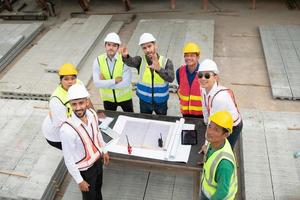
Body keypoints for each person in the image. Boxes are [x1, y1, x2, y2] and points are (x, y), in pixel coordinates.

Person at [60, 84, 109, 200]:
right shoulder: (67, 130)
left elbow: (97, 134)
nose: (77, 108)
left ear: (87, 102)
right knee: (89, 197)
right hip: (85, 172)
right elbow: (68, 159)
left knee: (98, 190)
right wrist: (79, 180)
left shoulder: (92, 114)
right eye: (74, 104)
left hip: (98, 163)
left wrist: (104, 151)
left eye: (81, 103)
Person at [42, 63, 93, 150]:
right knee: (77, 152)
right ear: (61, 80)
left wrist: (94, 116)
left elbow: (88, 100)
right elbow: (61, 125)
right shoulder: (56, 99)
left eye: (73, 78)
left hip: (70, 123)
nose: (70, 81)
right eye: (66, 79)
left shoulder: (78, 83)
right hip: (56, 134)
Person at [121, 33, 174, 115]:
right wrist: (125, 56)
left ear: (155, 45)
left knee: (162, 122)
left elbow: (171, 78)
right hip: (144, 101)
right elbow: (130, 62)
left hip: (161, 102)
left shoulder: (166, 61)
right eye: (144, 48)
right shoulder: (140, 60)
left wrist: (159, 69)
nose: (148, 50)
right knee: (144, 121)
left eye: (149, 46)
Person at [198, 59, 243, 149]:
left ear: (215, 77)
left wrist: (206, 145)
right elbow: (204, 107)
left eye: (207, 76)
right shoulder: (203, 88)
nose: (203, 78)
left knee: (225, 149)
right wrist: (205, 122)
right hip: (218, 121)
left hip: (232, 127)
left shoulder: (220, 98)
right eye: (200, 75)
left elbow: (213, 124)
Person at [200, 111, 238, 200]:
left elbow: (223, 192)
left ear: (225, 134)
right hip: (207, 192)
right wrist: (207, 150)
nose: (210, 132)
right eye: (210, 126)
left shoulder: (224, 165)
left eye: (216, 130)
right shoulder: (216, 142)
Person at [93, 32, 133, 112]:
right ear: (105, 45)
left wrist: (104, 83)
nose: (111, 47)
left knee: (130, 118)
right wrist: (114, 81)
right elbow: (96, 83)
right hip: (108, 99)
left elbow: (126, 83)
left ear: (118, 47)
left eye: (114, 45)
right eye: (109, 45)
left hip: (125, 98)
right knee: (110, 120)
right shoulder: (98, 60)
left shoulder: (124, 59)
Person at [176, 42, 203, 118]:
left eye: (192, 55)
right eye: (186, 55)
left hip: (200, 114)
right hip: (185, 112)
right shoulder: (179, 71)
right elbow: (180, 86)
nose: (189, 58)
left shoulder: (203, 72)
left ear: (198, 57)